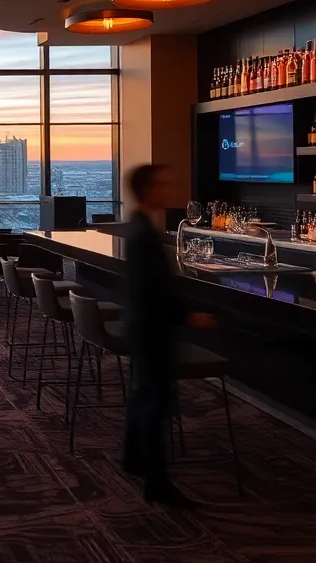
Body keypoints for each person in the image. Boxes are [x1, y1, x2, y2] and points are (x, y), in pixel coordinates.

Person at [121, 163, 212, 507]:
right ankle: (157, 484)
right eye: (161, 185)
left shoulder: (137, 226)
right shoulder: (145, 234)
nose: (167, 190)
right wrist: (189, 315)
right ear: (147, 190)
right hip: (152, 330)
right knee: (155, 405)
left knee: (143, 396)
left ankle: (132, 458)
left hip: (140, 326)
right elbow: (154, 292)